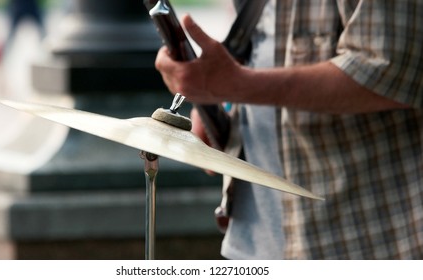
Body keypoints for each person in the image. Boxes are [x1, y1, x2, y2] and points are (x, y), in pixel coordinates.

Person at [155, 0, 423, 259]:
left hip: (365, 242)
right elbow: (265, 48)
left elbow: (388, 71)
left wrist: (234, 85)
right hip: (255, 240)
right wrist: (220, 104)